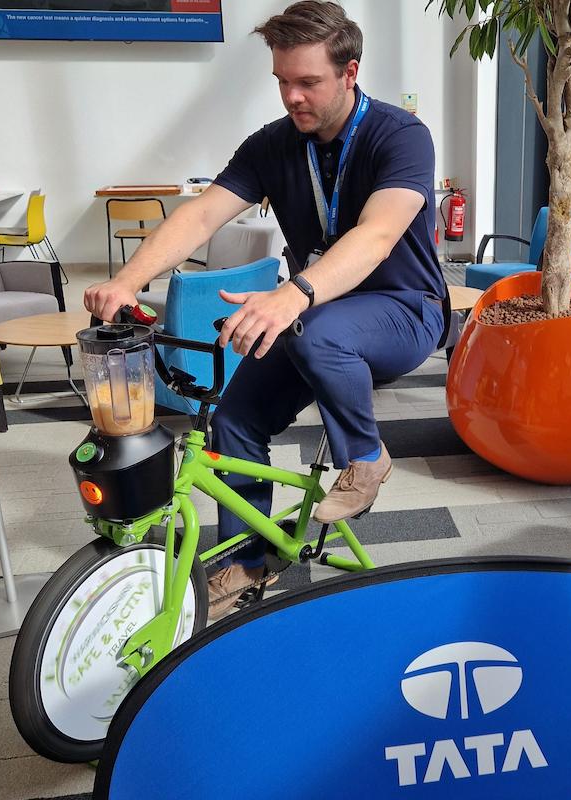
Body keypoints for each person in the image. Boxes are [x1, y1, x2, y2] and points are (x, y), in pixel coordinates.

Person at [84, 1, 447, 617]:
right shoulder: (274, 145)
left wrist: (292, 292)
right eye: (282, 81)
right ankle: (245, 563)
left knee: (315, 331)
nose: (292, 96)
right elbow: (201, 215)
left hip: (403, 309)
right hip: (313, 318)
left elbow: (378, 234)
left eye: (308, 82)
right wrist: (126, 281)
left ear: (350, 72)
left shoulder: (399, 135)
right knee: (232, 422)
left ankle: (365, 457)